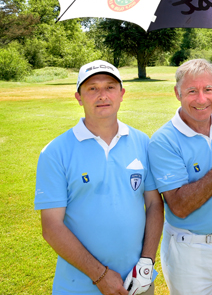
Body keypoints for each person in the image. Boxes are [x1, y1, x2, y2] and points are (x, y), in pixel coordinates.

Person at [34, 60, 164, 295]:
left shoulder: (142, 142)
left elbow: (155, 203)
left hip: (138, 281)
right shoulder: (55, 152)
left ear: (122, 94)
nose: (102, 95)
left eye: (110, 87)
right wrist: (100, 275)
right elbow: (51, 227)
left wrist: (147, 261)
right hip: (79, 285)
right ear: (78, 97)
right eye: (92, 88)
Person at [148, 59, 212, 295]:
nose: (202, 99)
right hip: (189, 251)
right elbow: (180, 206)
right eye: (192, 91)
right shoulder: (163, 141)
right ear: (177, 93)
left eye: (208, 90)